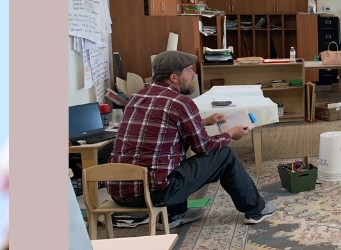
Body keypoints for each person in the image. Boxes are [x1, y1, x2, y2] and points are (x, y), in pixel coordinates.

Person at [106, 51, 276, 228]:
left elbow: (165, 127)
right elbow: (205, 147)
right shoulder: (180, 103)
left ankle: (174, 215)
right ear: (174, 77)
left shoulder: (136, 98)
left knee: (167, 159)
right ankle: (256, 210)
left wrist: (202, 121)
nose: (193, 74)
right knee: (224, 155)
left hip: (119, 192)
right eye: (188, 70)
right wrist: (230, 133)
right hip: (156, 194)